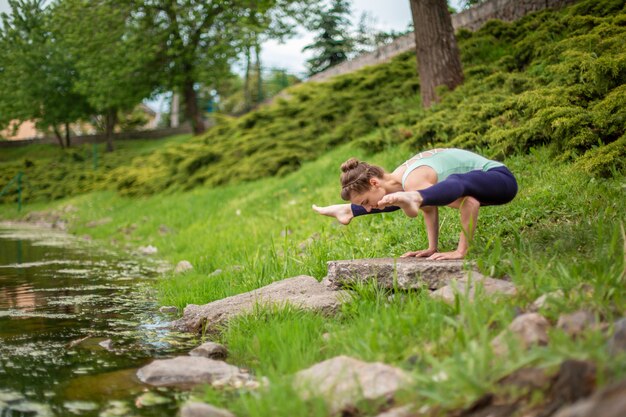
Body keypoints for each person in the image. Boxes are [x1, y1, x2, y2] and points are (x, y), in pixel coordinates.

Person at [312, 148, 518, 260]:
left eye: (364, 202)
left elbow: (470, 203)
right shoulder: (401, 177)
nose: (368, 207)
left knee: (425, 192)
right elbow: (429, 208)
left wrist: (461, 251)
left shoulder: (412, 179)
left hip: (501, 181)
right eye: (361, 206)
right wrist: (432, 248)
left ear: (374, 182)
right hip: (479, 182)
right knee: (404, 198)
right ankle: (349, 210)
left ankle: (354, 209)